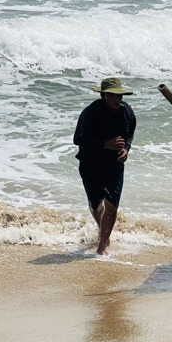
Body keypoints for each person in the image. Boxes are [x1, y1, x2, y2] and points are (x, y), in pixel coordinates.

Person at [74, 77, 137, 255]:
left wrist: (126, 148)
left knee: (112, 204)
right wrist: (104, 144)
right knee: (96, 205)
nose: (117, 100)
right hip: (90, 163)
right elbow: (78, 139)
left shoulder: (127, 112)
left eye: (120, 96)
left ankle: (103, 245)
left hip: (114, 164)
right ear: (103, 95)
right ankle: (104, 232)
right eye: (112, 96)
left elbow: (130, 132)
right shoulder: (90, 113)